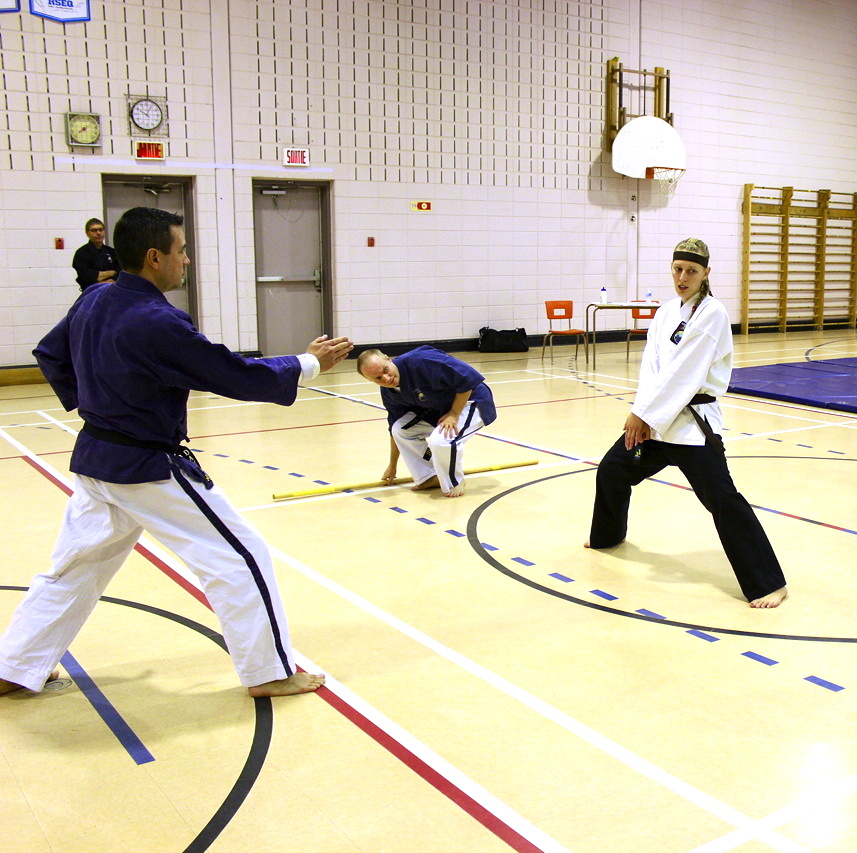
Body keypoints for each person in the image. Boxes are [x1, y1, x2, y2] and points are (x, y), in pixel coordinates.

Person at [0, 206, 353, 699]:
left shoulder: (95, 298)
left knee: (73, 570)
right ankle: (268, 672)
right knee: (241, 556)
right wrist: (307, 364)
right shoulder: (155, 320)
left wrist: (99, 402)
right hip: (146, 467)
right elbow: (230, 374)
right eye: (181, 251)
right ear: (154, 256)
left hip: (96, 460)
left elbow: (50, 353)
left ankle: (14, 667)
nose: (185, 260)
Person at [584, 238, 788, 608]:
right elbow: (653, 367)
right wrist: (643, 413)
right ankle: (607, 535)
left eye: (691, 271)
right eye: (678, 269)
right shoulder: (665, 312)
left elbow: (685, 372)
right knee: (613, 469)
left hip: (693, 426)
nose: (682, 277)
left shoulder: (713, 313)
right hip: (658, 422)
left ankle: (769, 583)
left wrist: (645, 414)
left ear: (705, 273)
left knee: (723, 500)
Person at [357, 346, 497, 497]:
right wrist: (392, 465)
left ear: (388, 359)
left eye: (385, 370)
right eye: (378, 379)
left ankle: (455, 481)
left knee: (441, 440)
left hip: (472, 399)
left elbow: (467, 378)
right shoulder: (389, 392)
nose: (386, 378)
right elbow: (394, 428)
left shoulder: (422, 361)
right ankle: (428, 476)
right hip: (441, 409)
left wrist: (454, 414)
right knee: (400, 430)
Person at [71, 217, 122, 291]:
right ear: (87, 233)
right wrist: (111, 273)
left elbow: (121, 270)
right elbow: (86, 275)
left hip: (112, 290)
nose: (98, 233)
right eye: (94, 230)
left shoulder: (112, 252)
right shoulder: (81, 253)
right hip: (91, 291)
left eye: (100, 230)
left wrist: (110, 279)